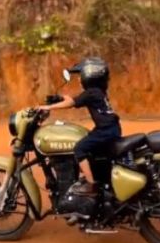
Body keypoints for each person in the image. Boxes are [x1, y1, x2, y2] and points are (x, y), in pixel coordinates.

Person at [38, 57, 121, 193]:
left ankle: (91, 184)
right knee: (91, 145)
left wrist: (47, 107)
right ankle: (98, 176)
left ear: (89, 76)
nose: (78, 79)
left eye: (80, 75)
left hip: (105, 131)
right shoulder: (97, 92)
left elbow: (71, 103)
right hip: (111, 128)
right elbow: (74, 99)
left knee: (79, 149)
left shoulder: (91, 93)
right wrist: (62, 98)